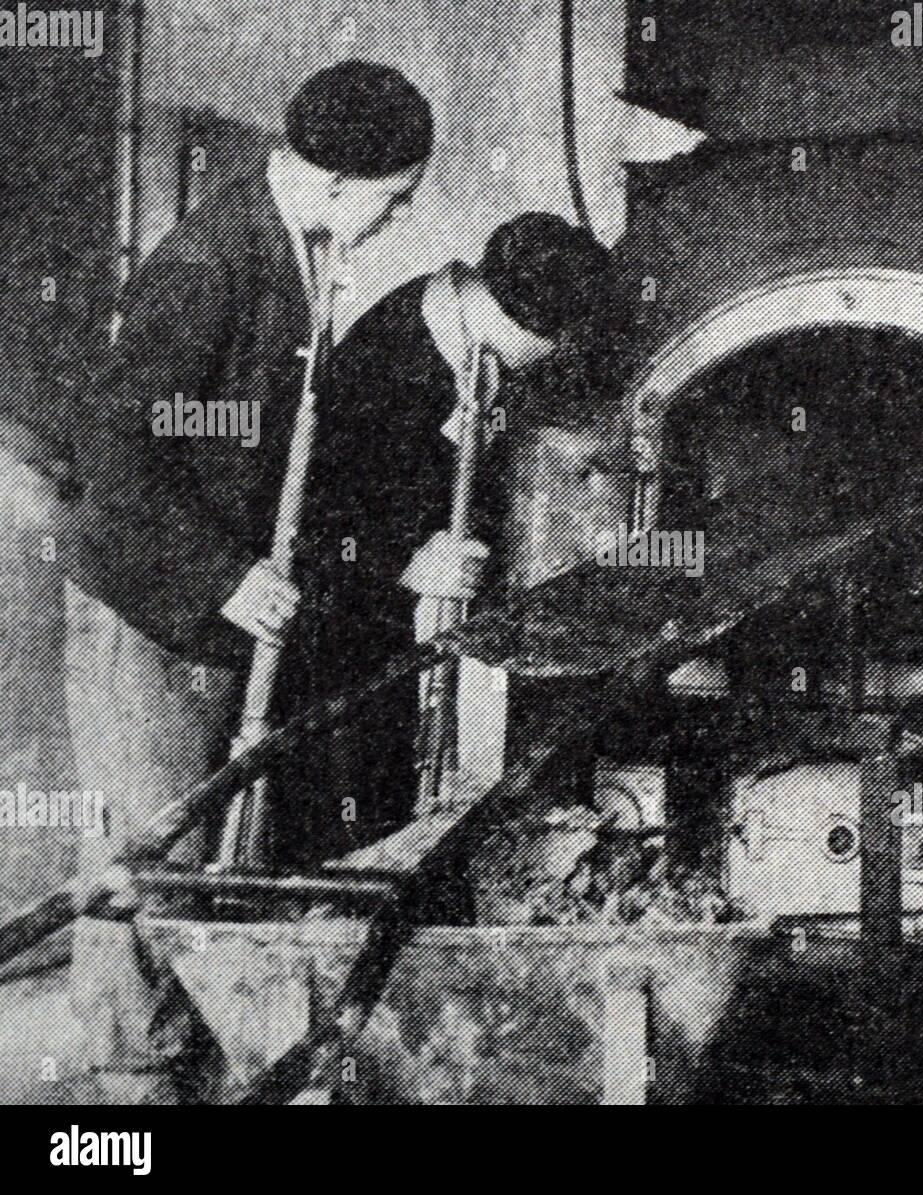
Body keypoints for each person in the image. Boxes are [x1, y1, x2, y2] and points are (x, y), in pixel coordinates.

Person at [65, 60, 433, 1103]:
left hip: (207, 609)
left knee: (208, 847)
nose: (399, 217)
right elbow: (114, 456)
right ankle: (127, 1101)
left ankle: (197, 1067)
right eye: (395, 199)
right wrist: (224, 575)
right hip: (144, 602)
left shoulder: (298, 249)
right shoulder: (209, 264)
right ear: (327, 180)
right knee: (148, 853)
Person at [276, 212, 615, 868]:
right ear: (523, 319)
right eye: (560, 339)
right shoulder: (390, 364)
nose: (559, 355)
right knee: (341, 830)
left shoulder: (471, 340)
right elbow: (305, 525)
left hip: (384, 636)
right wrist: (405, 563)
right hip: (324, 638)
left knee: (389, 810)